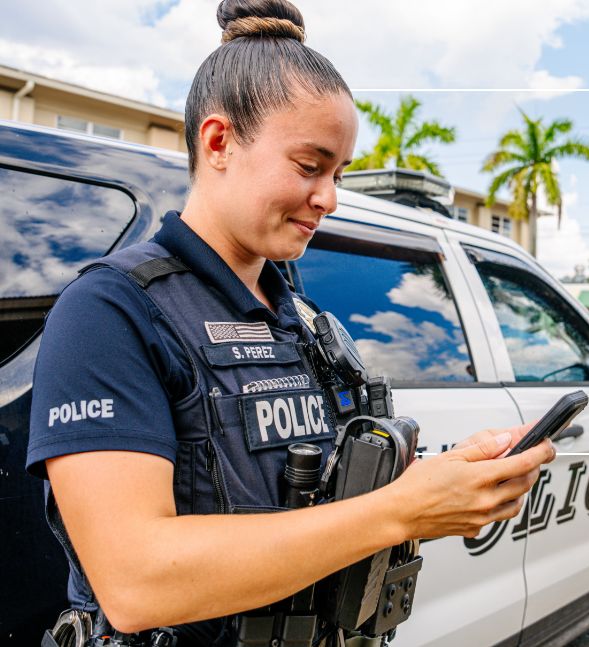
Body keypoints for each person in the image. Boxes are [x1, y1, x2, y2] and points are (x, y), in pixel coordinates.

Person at [26, 1, 556, 645]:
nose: (330, 198)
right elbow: (137, 582)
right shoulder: (110, 311)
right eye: (310, 166)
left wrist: (433, 485)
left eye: (338, 173)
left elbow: (320, 508)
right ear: (218, 142)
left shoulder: (303, 320)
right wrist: (401, 509)